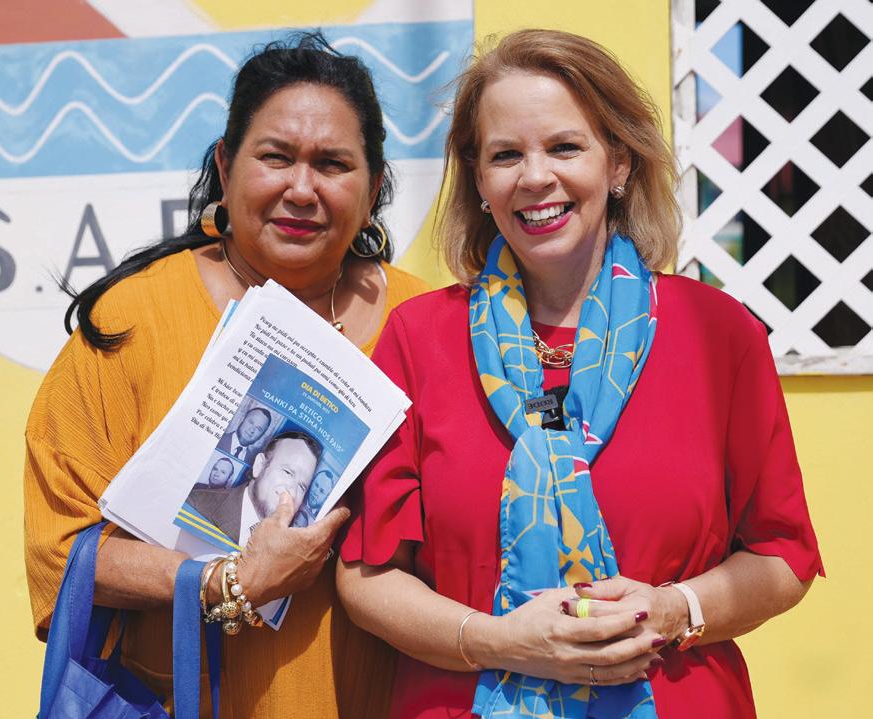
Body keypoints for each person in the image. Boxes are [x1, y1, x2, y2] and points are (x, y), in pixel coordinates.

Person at [336, 29, 822, 719]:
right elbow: (367, 576)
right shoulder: (418, 340)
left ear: (618, 162)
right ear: (479, 180)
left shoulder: (719, 334)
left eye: (565, 147)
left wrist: (673, 608)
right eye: (506, 155)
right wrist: (500, 642)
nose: (535, 177)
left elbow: (782, 555)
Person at [24, 33, 429, 718]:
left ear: (375, 187)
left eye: (333, 164)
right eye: (276, 157)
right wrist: (229, 580)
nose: (301, 188)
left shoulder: (428, 325)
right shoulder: (133, 322)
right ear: (225, 163)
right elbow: (58, 553)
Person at [188, 430, 322, 541]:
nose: (292, 492)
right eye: (287, 472)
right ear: (259, 465)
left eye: (302, 486)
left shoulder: (290, 547)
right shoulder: (197, 503)